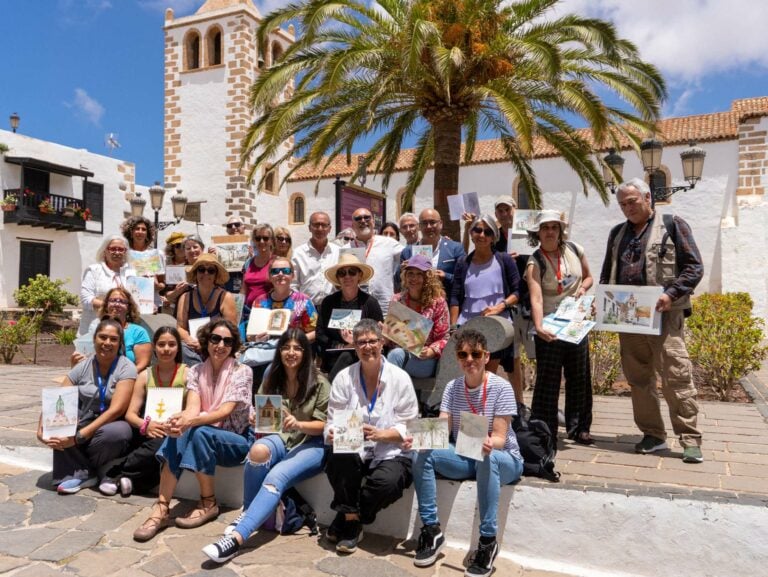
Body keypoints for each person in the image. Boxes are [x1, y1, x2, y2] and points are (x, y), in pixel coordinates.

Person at [202, 329, 331, 563]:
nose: (291, 353)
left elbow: (323, 426)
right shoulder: (273, 375)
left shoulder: (320, 382)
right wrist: (255, 417)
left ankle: (236, 540)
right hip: (282, 437)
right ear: (279, 350)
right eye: (286, 347)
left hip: (312, 443)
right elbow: (264, 413)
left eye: (297, 348)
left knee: (276, 476)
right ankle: (247, 513)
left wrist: (298, 423)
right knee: (258, 450)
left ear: (306, 352)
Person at [599, 178, 704, 463]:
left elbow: (694, 267)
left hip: (665, 315)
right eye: (622, 204)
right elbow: (607, 273)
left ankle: (690, 438)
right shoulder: (616, 233)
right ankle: (653, 435)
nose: (627, 208)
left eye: (632, 201)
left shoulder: (673, 224)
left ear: (647, 197)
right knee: (638, 378)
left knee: (676, 376)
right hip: (629, 318)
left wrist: (671, 295)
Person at [407, 329, 523, 576]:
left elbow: (501, 438)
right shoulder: (452, 387)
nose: (469, 359)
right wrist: (417, 437)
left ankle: (488, 541)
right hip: (466, 454)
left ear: (486, 356)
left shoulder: (501, 387)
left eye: (475, 354)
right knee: (421, 453)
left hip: (503, 458)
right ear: (457, 358)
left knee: (487, 457)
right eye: (463, 354)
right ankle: (431, 529)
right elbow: (443, 428)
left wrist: (491, 443)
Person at [133, 320, 254, 541]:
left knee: (199, 431)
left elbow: (224, 411)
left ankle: (208, 503)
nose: (220, 345)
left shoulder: (242, 371)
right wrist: (180, 420)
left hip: (236, 440)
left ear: (233, 345)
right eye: (215, 339)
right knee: (180, 430)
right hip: (205, 433)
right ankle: (161, 508)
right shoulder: (196, 371)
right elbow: (193, 408)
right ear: (207, 341)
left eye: (227, 341)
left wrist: (190, 421)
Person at [324, 319, 419, 554]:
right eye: (362, 342)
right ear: (354, 347)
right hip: (355, 448)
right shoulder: (344, 378)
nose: (367, 347)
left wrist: (382, 435)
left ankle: (349, 517)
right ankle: (352, 521)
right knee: (337, 455)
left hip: (391, 451)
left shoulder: (400, 379)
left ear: (383, 343)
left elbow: (410, 426)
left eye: (372, 341)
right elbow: (331, 422)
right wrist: (334, 432)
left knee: (389, 483)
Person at [38, 318, 136, 494]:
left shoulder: (126, 367)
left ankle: (82, 469)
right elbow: (58, 398)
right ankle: (86, 474)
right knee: (61, 418)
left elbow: (117, 409)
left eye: (113, 339)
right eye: (103, 337)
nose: (107, 343)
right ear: (94, 339)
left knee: (118, 433)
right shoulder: (83, 365)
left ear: (120, 343)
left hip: (110, 422)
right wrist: (41, 428)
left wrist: (80, 437)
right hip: (86, 417)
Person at [526, 210, 594, 445]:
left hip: (576, 323)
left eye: (554, 227)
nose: (550, 232)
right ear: (538, 232)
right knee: (548, 380)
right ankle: (545, 428)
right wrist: (538, 326)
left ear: (561, 230)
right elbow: (536, 298)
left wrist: (583, 289)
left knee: (580, 377)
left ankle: (580, 428)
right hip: (550, 327)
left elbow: (588, 277)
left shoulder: (575, 250)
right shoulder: (535, 261)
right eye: (545, 227)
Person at [99, 327, 188, 497]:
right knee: (152, 441)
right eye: (161, 344)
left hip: (173, 431)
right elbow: (131, 414)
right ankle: (132, 481)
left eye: (171, 344)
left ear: (178, 348)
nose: (166, 349)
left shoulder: (188, 375)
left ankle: (117, 474)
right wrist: (146, 425)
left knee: (163, 444)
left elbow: (192, 408)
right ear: (154, 347)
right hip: (146, 427)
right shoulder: (145, 376)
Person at [450, 215, 520, 373]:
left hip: (496, 325)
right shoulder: (462, 263)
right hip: (468, 325)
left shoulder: (504, 260)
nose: (482, 235)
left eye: (488, 232)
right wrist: (453, 327)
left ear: (494, 236)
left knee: (488, 375)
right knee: (470, 373)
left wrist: (500, 307)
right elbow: (455, 297)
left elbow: (517, 291)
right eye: (478, 230)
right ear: (471, 232)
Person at [316, 254, 383, 382]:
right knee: (344, 355)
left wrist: (355, 342)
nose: (347, 276)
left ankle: (330, 391)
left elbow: (378, 334)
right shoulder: (328, 302)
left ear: (359, 276)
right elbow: (320, 334)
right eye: (342, 273)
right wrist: (341, 345)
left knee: (347, 356)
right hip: (333, 355)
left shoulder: (370, 303)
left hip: (363, 354)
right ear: (338, 278)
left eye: (352, 272)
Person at [386, 255, 449, 379]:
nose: (414, 278)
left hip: (425, 359)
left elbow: (444, 338)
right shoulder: (397, 300)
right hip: (401, 354)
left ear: (427, 278)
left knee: (393, 366)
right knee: (395, 354)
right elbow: (392, 341)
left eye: (419, 274)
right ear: (405, 276)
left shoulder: (438, 302)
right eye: (410, 273)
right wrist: (386, 333)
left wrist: (431, 351)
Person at [177, 254, 238, 366]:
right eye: (201, 270)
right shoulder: (185, 297)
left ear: (216, 275)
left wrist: (207, 344)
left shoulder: (225, 297)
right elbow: (180, 328)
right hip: (192, 347)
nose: (206, 273)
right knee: (179, 347)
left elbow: (231, 330)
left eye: (211, 270)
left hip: (217, 344)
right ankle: (202, 369)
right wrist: (190, 340)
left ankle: (202, 370)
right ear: (196, 274)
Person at [74, 287, 152, 373]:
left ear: (129, 307)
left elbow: (143, 364)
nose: (117, 304)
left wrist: (124, 377)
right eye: (113, 300)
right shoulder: (95, 326)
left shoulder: (138, 332)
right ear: (106, 305)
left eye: (122, 301)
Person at [397, 208, 465, 295]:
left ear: (440, 224)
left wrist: (446, 277)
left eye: (432, 222)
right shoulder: (408, 252)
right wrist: (402, 271)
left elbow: (464, 278)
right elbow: (398, 284)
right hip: (416, 306)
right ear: (419, 226)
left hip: (446, 304)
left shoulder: (455, 248)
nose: (429, 226)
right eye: (424, 223)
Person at [249, 257, 317, 342]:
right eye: (275, 271)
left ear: (293, 275)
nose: (280, 274)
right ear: (269, 276)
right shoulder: (259, 302)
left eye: (286, 271)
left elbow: (315, 332)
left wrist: (295, 341)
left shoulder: (304, 301)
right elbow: (250, 335)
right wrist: (257, 339)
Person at [349, 207, 403, 315]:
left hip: (384, 306)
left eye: (367, 217)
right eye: (358, 218)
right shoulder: (346, 249)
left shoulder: (389, 243)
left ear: (373, 222)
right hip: (356, 307)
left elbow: (412, 255)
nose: (363, 221)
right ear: (352, 225)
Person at [78, 236, 130, 336]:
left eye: (120, 249)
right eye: (113, 249)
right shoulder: (93, 270)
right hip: (94, 329)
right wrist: (112, 306)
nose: (117, 252)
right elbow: (86, 299)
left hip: (123, 330)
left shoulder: (131, 272)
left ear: (125, 252)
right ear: (105, 251)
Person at [291, 211, 340, 307]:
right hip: (306, 308)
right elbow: (293, 284)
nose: (320, 229)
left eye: (324, 225)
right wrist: (299, 306)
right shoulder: (298, 253)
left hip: (333, 308)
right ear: (309, 228)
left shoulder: (338, 251)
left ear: (330, 229)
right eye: (316, 225)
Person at [122, 216, 166, 308]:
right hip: (129, 303)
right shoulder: (124, 254)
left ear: (147, 233)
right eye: (137, 229)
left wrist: (156, 286)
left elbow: (162, 283)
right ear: (131, 232)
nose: (140, 232)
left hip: (151, 303)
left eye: (144, 229)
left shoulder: (156, 254)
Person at [242, 224, 275, 310]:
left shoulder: (276, 263)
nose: (261, 241)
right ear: (254, 241)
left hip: (269, 311)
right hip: (248, 312)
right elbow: (243, 291)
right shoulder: (248, 263)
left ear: (271, 240)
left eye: (265, 238)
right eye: (258, 238)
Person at [223, 216, 249, 293]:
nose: (233, 227)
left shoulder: (254, 245)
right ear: (227, 230)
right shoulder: (219, 246)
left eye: (237, 224)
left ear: (244, 227)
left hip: (248, 287)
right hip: (227, 287)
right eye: (229, 226)